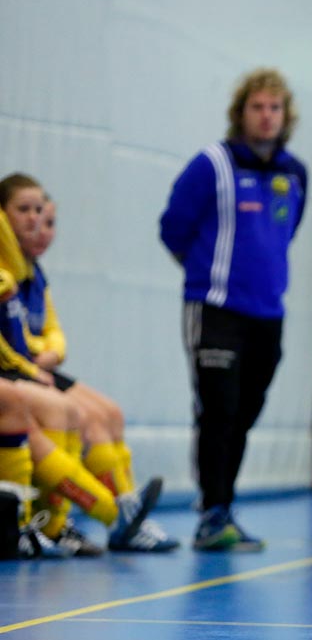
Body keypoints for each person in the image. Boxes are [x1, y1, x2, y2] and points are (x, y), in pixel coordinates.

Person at [159, 68, 308, 552]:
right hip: (216, 308)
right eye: (257, 107)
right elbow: (173, 228)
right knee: (218, 410)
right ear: (240, 114)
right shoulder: (212, 166)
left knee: (245, 412)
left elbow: (286, 233)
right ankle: (212, 513)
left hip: (268, 313)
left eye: (275, 108)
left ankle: (222, 506)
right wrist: (206, 274)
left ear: (286, 116)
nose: (266, 117)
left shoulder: (294, 173)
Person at [0, 176, 180, 552]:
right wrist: (33, 363)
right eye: (26, 212)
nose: (38, 223)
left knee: (107, 414)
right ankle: (86, 518)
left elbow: (52, 332)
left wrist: (45, 354)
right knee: (63, 414)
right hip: (19, 368)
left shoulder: (31, 274)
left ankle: (122, 513)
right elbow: (13, 344)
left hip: (30, 365)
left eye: (45, 216)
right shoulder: (8, 273)